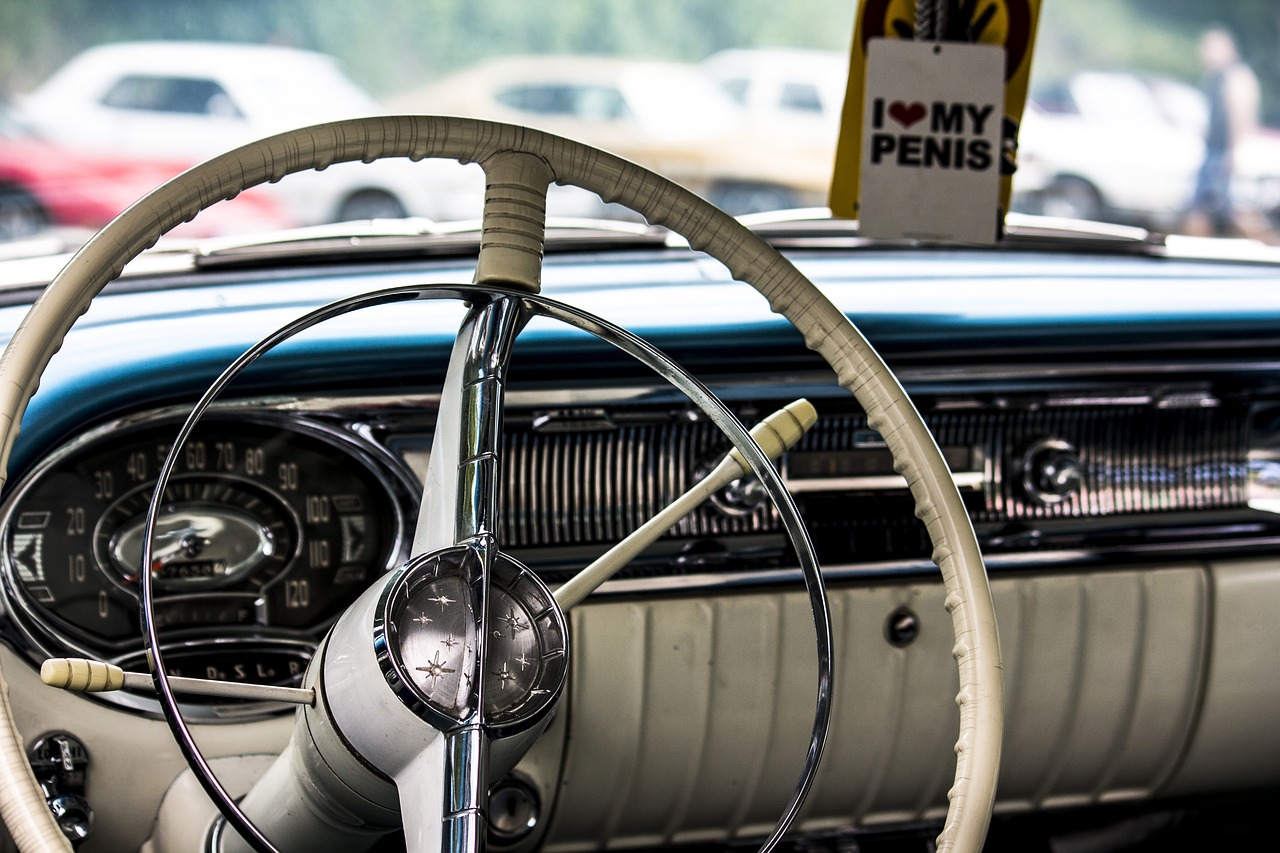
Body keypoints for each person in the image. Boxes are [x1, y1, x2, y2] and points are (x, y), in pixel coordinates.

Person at [1183, 27, 1271, 239]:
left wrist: (1233, 154)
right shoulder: (1217, 76)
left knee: (1233, 210)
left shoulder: (1236, 77)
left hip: (1224, 152)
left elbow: (1239, 116)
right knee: (1206, 207)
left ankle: (1267, 245)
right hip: (1215, 151)